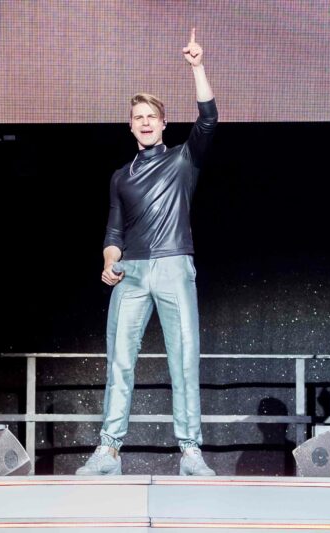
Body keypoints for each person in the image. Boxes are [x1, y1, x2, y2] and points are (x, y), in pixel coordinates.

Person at [75, 28, 217, 476]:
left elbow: (209, 119)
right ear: (130, 125)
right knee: (120, 361)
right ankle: (108, 451)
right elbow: (114, 231)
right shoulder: (120, 176)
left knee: (184, 359)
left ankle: (190, 452)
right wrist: (109, 262)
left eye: (152, 116)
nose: (145, 122)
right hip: (131, 272)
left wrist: (197, 67)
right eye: (138, 116)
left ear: (163, 123)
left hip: (174, 265)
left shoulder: (183, 160)